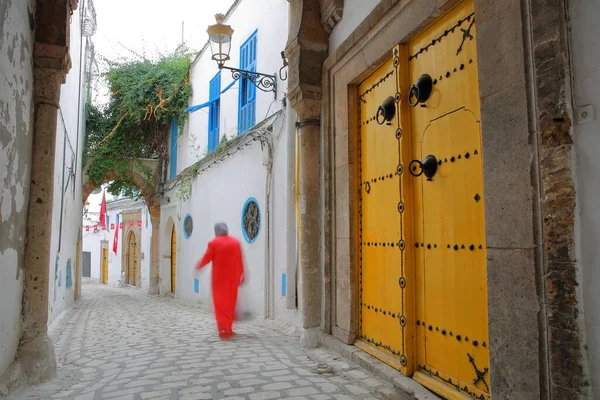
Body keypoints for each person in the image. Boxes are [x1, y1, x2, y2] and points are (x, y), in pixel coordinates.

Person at [195, 222, 245, 339]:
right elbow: (240, 260)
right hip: (233, 279)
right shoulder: (235, 242)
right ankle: (229, 327)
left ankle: (223, 328)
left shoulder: (214, 243)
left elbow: (207, 257)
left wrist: (199, 266)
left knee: (220, 303)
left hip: (219, 279)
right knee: (230, 302)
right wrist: (243, 275)